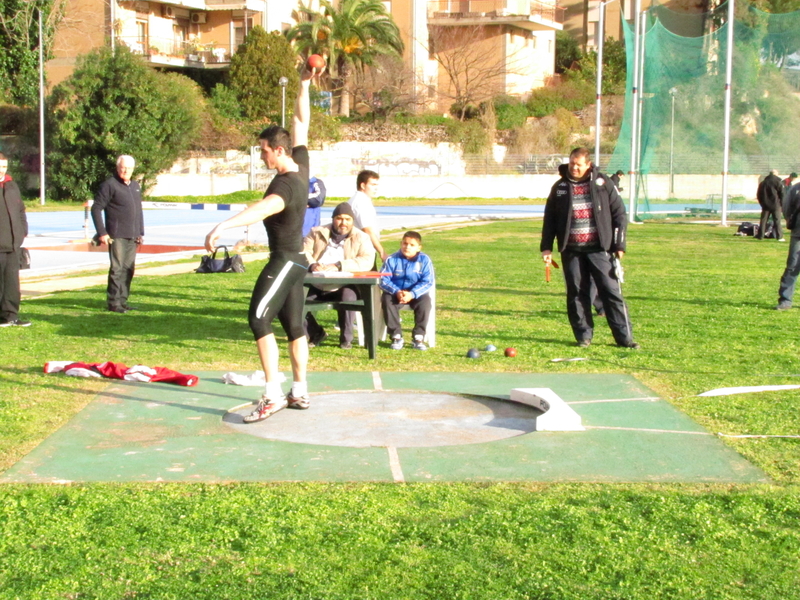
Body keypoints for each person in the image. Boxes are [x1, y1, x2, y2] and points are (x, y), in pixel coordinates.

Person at [204, 62, 319, 424]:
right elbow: (301, 122)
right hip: (298, 260)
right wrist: (303, 84)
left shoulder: (285, 184)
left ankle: (272, 395)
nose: (263, 156)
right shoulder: (300, 161)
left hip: (285, 260)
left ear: (278, 151)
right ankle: (299, 391)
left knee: (257, 318)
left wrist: (224, 225)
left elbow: (264, 208)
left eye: (265, 151)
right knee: (295, 327)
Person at [540, 147, 639, 349]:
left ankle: (624, 338)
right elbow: (550, 218)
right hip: (572, 249)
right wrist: (546, 248)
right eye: (571, 163)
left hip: (599, 249)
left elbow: (619, 214)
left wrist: (619, 244)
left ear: (588, 165)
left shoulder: (603, 183)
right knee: (577, 292)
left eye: (578, 164)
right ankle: (583, 336)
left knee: (611, 292)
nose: (574, 168)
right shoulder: (560, 187)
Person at [303, 202, 376, 349]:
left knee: (348, 297)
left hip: (344, 285)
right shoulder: (316, 232)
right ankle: (315, 332)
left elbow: (367, 260)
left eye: (347, 219)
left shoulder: (362, 237)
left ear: (352, 221)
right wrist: (313, 265)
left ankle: (346, 339)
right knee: (292, 298)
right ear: (333, 219)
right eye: (339, 218)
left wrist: (339, 266)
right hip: (316, 284)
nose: (343, 223)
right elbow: (303, 252)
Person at [91, 155, 144, 313]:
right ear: (117, 167)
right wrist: (102, 232)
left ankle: (123, 300)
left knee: (129, 268)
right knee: (117, 268)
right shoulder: (109, 185)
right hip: (117, 235)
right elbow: (96, 208)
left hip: (133, 235)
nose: (126, 170)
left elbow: (138, 211)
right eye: (123, 167)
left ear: (133, 169)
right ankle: (113, 302)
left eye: (129, 168)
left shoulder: (135, 185)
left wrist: (140, 232)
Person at [380, 231, 434, 351]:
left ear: (419, 247)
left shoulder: (424, 260)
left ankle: (418, 337)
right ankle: (396, 335)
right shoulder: (391, 259)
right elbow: (383, 279)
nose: (407, 247)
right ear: (401, 243)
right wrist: (397, 291)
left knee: (426, 301)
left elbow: (427, 281)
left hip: (416, 294)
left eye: (412, 245)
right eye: (405, 243)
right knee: (386, 299)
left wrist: (412, 294)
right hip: (395, 293)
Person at [0, 153, 30, 328]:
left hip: (13, 245)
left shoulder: (12, 186)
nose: (2, 170)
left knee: (12, 283)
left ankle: (11, 316)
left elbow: (20, 210)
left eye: (4, 166)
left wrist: (22, 231)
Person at [348, 169, 385, 261]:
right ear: (363, 185)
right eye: (373, 185)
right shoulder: (360, 202)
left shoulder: (362, 200)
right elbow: (367, 230)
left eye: (376, 185)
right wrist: (382, 252)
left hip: (363, 249)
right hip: (361, 252)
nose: (376, 188)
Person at [775, 182, 800, 310]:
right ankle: (785, 300)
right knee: (793, 267)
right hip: (798, 233)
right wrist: (792, 222)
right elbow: (786, 207)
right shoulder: (796, 189)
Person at [755, 169, 784, 241]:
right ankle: (779, 236)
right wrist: (782, 204)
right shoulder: (778, 182)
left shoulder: (763, 183)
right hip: (776, 205)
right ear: (776, 174)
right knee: (777, 221)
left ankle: (760, 235)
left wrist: (762, 203)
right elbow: (782, 194)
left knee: (763, 220)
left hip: (765, 205)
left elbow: (759, 195)